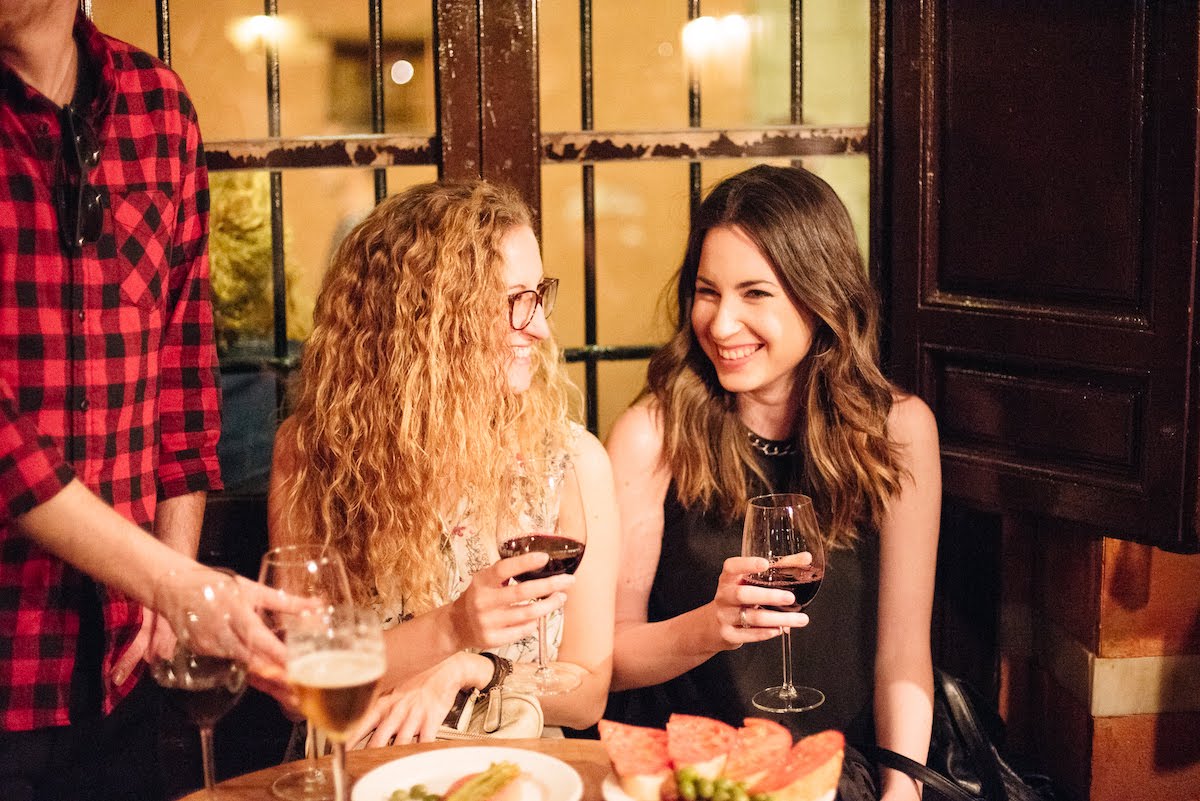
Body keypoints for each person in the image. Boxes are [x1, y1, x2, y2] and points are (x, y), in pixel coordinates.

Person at [0, 3, 292, 798]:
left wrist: (174, 568)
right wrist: (169, 580)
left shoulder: (158, 107)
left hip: (119, 673)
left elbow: (183, 372)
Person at [604, 165, 941, 801]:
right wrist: (710, 625)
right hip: (696, 777)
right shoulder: (652, 436)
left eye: (755, 293)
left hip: (842, 769)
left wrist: (904, 790)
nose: (722, 324)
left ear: (821, 297)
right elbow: (609, 660)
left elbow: (902, 654)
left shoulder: (900, 429)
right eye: (707, 292)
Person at [269, 179, 620, 744]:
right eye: (512, 302)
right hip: (365, 766)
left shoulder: (573, 462)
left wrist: (470, 668)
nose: (539, 327)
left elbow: (586, 696)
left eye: (537, 295)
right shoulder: (317, 452)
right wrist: (450, 628)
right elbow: (298, 684)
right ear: (426, 322)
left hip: (517, 773)